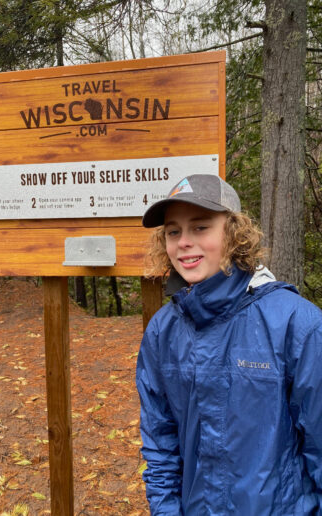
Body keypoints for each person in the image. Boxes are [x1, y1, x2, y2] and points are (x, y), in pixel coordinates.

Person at [136, 173, 322, 515]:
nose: (184, 242)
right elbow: (160, 442)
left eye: (201, 227)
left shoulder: (297, 323)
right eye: (174, 231)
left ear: (234, 233)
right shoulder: (163, 331)